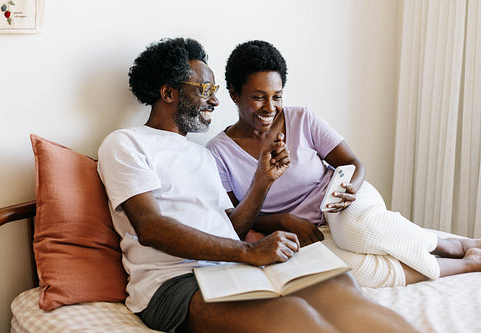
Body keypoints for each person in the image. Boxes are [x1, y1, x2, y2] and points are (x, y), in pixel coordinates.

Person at [97, 37, 420, 333]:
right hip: (173, 283)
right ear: (168, 93)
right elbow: (151, 228)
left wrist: (262, 181)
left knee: (343, 291)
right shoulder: (126, 143)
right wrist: (250, 252)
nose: (216, 102)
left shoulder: (203, 156)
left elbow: (231, 230)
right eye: (205, 90)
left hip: (233, 265)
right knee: (293, 315)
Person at [206, 40, 481, 288]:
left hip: (341, 203)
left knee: (354, 233)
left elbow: (351, 163)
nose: (270, 106)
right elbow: (236, 221)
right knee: (352, 273)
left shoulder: (302, 119)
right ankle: (466, 264)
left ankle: (450, 245)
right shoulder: (218, 152)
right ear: (233, 94)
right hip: (307, 232)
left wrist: (350, 188)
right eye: (258, 97)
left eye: (276, 96)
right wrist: (282, 219)